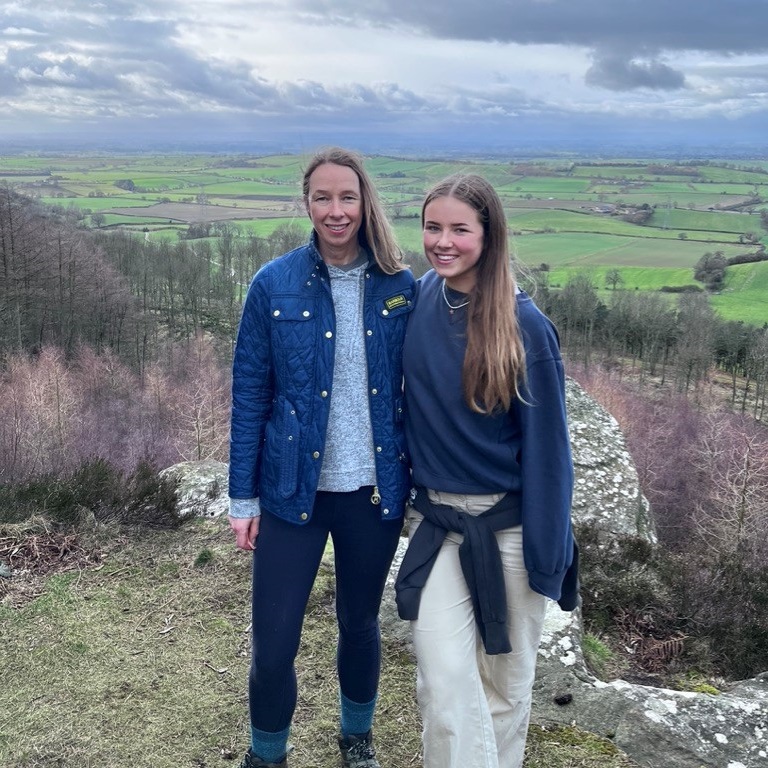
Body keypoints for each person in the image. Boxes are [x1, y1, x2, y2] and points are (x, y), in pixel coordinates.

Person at [228, 147, 415, 768]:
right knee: (274, 643)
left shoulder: (400, 287)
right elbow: (251, 393)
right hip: (290, 492)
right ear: (305, 203)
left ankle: (356, 738)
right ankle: (267, 755)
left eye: (347, 198)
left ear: (366, 204)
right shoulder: (272, 284)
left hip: (373, 492)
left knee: (359, 626)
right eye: (322, 198)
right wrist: (242, 496)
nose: (335, 211)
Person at [395, 173, 579, 768]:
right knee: (445, 685)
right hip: (440, 525)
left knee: (505, 691)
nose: (442, 242)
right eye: (432, 227)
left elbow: (551, 454)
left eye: (459, 229)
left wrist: (549, 557)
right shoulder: (419, 299)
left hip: (512, 531)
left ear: (489, 234)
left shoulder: (526, 328)